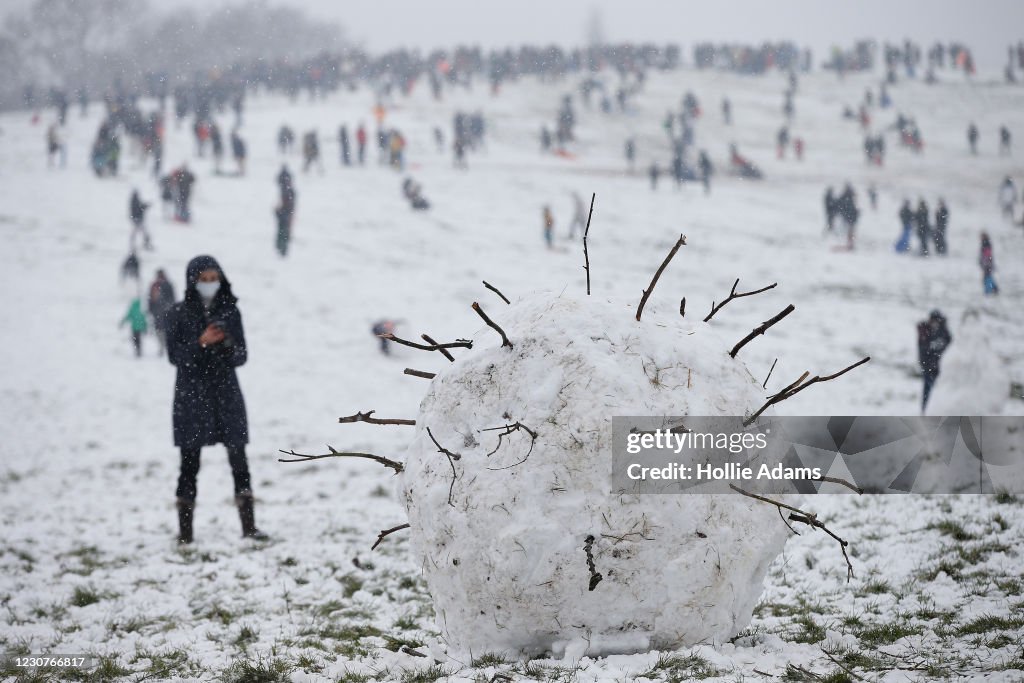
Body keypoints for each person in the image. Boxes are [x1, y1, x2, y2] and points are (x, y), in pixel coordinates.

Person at [165, 255, 266, 544]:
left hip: (226, 394)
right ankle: (186, 534)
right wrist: (201, 342)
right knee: (189, 463)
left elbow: (242, 356)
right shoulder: (178, 313)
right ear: (192, 281)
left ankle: (249, 527)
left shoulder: (230, 312)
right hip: (191, 397)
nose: (209, 285)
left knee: (239, 460)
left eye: (214, 279)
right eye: (204, 280)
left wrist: (226, 344)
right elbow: (175, 357)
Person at [917, 310, 952, 413]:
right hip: (928, 368)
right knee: (927, 393)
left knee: (936, 394)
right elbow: (923, 349)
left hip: (939, 370)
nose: (933, 322)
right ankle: (925, 412)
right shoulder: (926, 331)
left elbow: (948, 348)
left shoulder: (943, 333)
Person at [148, 269, 175, 355]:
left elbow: (172, 298)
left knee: (166, 330)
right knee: (159, 330)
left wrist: (170, 307)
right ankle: (162, 346)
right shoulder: (154, 285)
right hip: (157, 312)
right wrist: (150, 309)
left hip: (166, 312)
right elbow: (150, 298)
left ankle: (166, 346)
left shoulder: (168, 285)